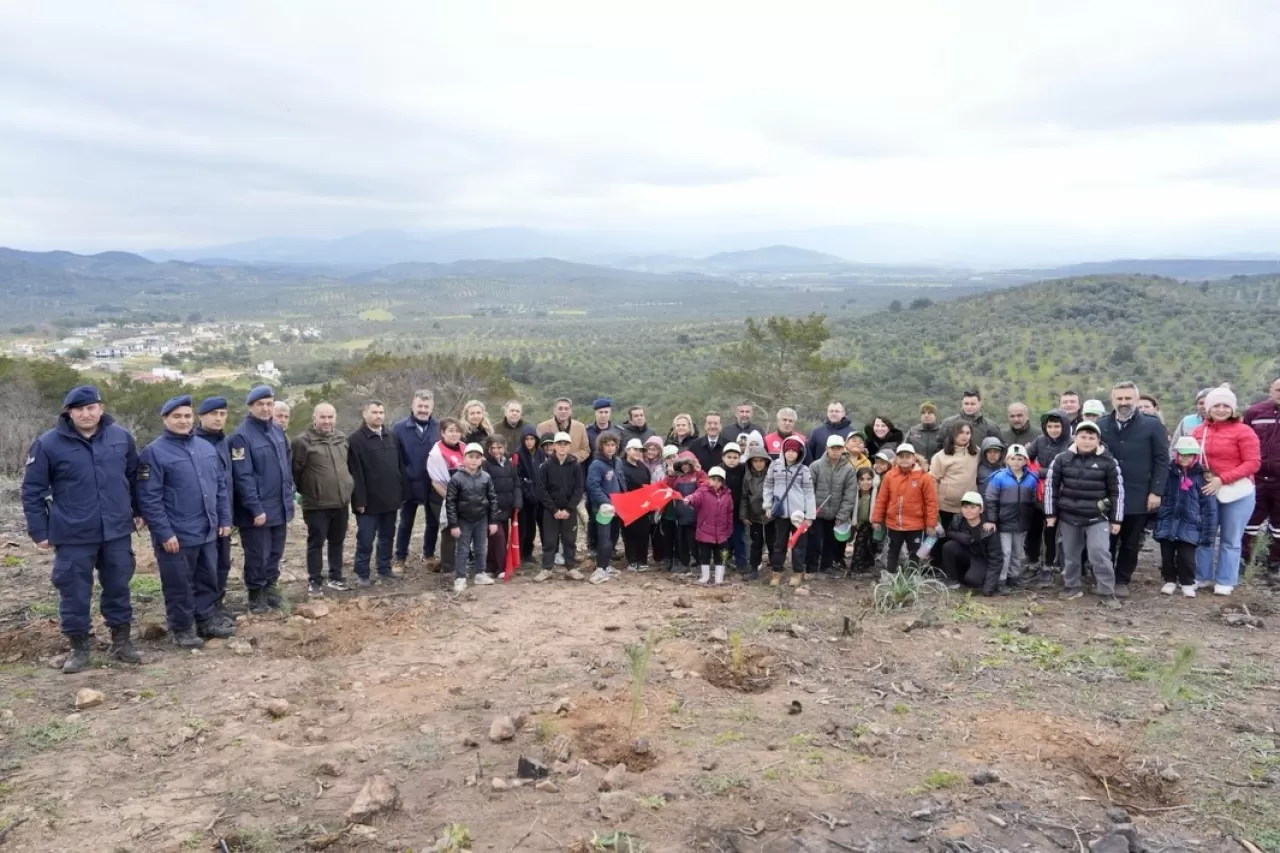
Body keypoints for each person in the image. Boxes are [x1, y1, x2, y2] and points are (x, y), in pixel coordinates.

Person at [22, 385, 143, 673]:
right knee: (74, 590)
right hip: (73, 532)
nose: (86, 414)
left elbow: (134, 478)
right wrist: (39, 531)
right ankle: (79, 648)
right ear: (69, 412)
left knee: (118, 585)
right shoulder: (48, 444)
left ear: (101, 408)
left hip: (115, 528)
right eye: (79, 409)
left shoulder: (121, 437)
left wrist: (138, 511)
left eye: (91, 408)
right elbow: (32, 490)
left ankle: (121, 641)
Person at [136, 395, 233, 648]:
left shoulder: (206, 448)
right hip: (176, 535)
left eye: (187, 416)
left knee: (207, 579)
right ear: (165, 419)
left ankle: (205, 620)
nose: (183, 421)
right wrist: (165, 533)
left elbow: (220, 486)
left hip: (207, 529)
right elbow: (150, 498)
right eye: (176, 416)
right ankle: (182, 628)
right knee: (179, 583)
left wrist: (223, 518)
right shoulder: (154, 453)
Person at [1097, 381, 1170, 597]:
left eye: (1128, 398)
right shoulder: (1101, 425)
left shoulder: (1152, 425)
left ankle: (1122, 580)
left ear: (1136, 400)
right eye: (1119, 399)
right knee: (1105, 540)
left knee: (1130, 542)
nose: (1124, 403)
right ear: (1113, 400)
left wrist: (1156, 491)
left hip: (1138, 493)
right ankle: (1104, 578)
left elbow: (1162, 459)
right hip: (1106, 494)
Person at [1043, 421, 1122, 608]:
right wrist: (1050, 513)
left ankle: (1106, 591)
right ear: (1075, 438)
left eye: (1091, 438)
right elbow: (1050, 487)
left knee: (1099, 552)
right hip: (1069, 516)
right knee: (1069, 554)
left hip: (1097, 517)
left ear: (1098, 440)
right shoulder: (1062, 459)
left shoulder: (1109, 462)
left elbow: (1117, 492)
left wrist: (1116, 518)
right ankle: (1072, 586)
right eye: (1083, 437)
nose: (1087, 441)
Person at [230, 385, 294, 614]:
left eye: (269, 404)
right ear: (251, 407)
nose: (265, 408)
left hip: (279, 505)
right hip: (257, 511)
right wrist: (255, 508)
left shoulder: (277, 431)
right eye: (260, 404)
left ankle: (270, 588)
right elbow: (243, 477)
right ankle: (256, 595)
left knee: (275, 551)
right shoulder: (241, 436)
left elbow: (287, 468)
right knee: (258, 554)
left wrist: (290, 497)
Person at [1192, 387, 1261, 595]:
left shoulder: (1244, 431)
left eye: (1225, 406)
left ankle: (1225, 580)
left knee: (1231, 538)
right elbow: (1191, 459)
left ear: (1233, 408)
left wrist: (1223, 479)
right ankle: (1201, 576)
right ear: (1208, 407)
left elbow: (1253, 463)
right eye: (1216, 405)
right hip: (1208, 490)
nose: (1221, 410)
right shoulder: (1198, 432)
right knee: (1205, 535)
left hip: (1238, 492)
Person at [291, 402, 353, 595]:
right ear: (314, 418)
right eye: (323, 417)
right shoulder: (302, 442)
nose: (327, 421)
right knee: (316, 543)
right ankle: (315, 580)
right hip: (316, 504)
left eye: (330, 417)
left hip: (341, 501)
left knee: (337, 541)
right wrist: (310, 492)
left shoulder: (342, 438)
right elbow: (296, 472)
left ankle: (335, 577)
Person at [348, 400, 408, 586]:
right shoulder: (356, 440)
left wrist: (402, 492)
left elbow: (399, 465)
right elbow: (355, 473)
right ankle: (362, 573)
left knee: (387, 537)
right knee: (365, 539)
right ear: (365, 414)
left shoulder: (392, 436)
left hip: (390, 498)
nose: (378, 416)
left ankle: (384, 569)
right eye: (374, 412)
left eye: (381, 412)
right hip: (368, 502)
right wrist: (359, 500)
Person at [1154, 437, 1218, 598]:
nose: (1185, 458)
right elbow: (1159, 495)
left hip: (1189, 525)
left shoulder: (1202, 477)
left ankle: (1187, 582)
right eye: (1182, 454)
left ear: (1195, 456)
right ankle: (1169, 579)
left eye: (1189, 455)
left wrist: (1208, 532)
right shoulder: (1167, 473)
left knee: (1186, 557)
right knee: (1167, 555)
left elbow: (1209, 507)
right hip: (1168, 521)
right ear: (1176, 454)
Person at [194, 396, 234, 619]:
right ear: (201, 417)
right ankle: (205, 610)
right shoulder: (195, 442)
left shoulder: (223, 441)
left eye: (222, 414)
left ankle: (218, 603)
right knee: (207, 567)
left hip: (224, 513)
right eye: (213, 414)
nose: (219, 418)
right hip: (205, 516)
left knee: (223, 562)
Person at [871, 444, 939, 574]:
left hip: (915, 525)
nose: (904, 459)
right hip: (894, 523)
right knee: (893, 550)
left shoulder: (924, 477)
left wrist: (931, 524)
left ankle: (911, 578)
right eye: (901, 456)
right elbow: (882, 499)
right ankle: (889, 575)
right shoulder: (890, 476)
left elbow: (931, 502)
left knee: (915, 552)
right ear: (896, 459)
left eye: (908, 456)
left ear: (914, 458)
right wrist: (876, 519)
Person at [392, 390, 440, 569]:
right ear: (413, 406)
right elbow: (394, 456)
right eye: (419, 406)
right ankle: (400, 557)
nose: (423, 410)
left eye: (426, 406)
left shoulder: (439, 427)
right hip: (409, 483)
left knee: (433, 521)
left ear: (432, 407)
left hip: (433, 483)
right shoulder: (399, 428)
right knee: (405, 522)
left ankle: (428, 554)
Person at [1025, 410, 1072, 585]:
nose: (1053, 429)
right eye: (1049, 426)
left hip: (1060, 494)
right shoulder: (1040, 441)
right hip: (1038, 494)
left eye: (1057, 426)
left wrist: (1039, 472)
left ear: (1064, 426)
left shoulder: (1071, 443)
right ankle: (1032, 562)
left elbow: (1067, 469)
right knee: (1033, 529)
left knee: (1051, 533)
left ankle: (1049, 566)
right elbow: (1025, 457)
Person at [983, 444, 1038, 591]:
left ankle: (1013, 576)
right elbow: (991, 500)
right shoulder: (998, 477)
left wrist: (1029, 518)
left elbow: (1033, 501)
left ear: (1026, 461)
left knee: (1017, 552)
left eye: (1020, 459)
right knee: (1005, 552)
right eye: (1013, 458)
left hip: (1021, 523)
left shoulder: (1032, 479)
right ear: (1007, 460)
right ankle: (1001, 580)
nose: (1016, 462)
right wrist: (992, 519)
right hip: (1004, 522)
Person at [763, 435, 816, 586]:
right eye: (788, 450)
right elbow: (768, 486)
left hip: (798, 514)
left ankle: (797, 572)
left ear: (799, 452)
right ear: (783, 450)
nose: (791, 453)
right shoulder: (775, 466)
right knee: (778, 544)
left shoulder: (804, 470)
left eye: (794, 450)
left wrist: (810, 515)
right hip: (780, 513)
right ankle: (776, 572)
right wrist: (767, 505)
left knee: (799, 545)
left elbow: (809, 493)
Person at [446, 443, 499, 592]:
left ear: (482, 460)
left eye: (477, 457)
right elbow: (450, 503)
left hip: (481, 519)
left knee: (480, 547)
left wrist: (493, 520)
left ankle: (480, 573)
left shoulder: (486, 477)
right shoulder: (456, 478)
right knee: (462, 549)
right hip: (463, 520)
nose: (474, 461)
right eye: (470, 457)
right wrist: (454, 524)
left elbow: (492, 499)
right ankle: (460, 577)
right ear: (464, 459)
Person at [1243, 377, 1280, 580]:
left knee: (1279, 526)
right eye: (1278, 389)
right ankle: (1244, 560)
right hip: (1255, 479)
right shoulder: (1254, 412)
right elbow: (1243, 441)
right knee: (1249, 521)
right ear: (1270, 390)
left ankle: (1274, 564)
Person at [536, 432, 585, 581]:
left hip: (569, 511)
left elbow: (579, 489)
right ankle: (547, 569)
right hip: (551, 511)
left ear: (569, 446)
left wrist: (569, 509)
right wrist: (554, 509)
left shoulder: (575, 465)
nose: (562, 447)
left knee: (569, 540)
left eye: (565, 444)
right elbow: (542, 489)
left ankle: (571, 568)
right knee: (549, 541)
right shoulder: (545, 466)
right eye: (559, 444)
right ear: (554, 446)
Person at [807, 434, 856, 575]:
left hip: (836, 513)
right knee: (814, 541)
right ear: (826, 448)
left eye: (839, 448)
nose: (835, 451)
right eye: (832, 448)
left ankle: (826, 566)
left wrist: (843, 514)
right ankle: (811, 566)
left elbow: (850, 494)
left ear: (843, 449)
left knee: (831, 541)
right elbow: (809, 490)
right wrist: (810, 511)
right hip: (817, 513)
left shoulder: (848, 470)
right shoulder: (815, 466)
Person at [940, 492, 1003, 594]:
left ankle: (971, 577)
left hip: (981, 558)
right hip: (967, 553)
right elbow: (950, 532)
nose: (968, 511)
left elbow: (996, 559)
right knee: (949, 546)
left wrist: (989, 588)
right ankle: (951, 579)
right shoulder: (958, 519)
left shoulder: (988, 527)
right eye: (965, 507)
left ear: (981, 509)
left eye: (973, 507)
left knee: (973, 580)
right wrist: (961, 537)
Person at [427, 417, 467, 577]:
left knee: (462, 530)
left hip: (464, 497)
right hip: (442, 497)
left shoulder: (464, 448)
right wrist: (451, 499)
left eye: (457, 431)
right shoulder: (436, 452)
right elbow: (436, 481)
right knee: (449, 530)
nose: (454, 434)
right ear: (442, 433)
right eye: (450, 431)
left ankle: (462, 563)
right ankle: (448, 568)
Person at [585, 431, 624, 583]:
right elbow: (592, 486)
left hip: (617, 507)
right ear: (601, 447)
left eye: (613, 445)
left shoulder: (618, 462)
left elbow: (621, 482)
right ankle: (600, 568)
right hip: (603, 508)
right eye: (607, 445)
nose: (610, 448)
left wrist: (623, 499)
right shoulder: (596, 464)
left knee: (613, 537)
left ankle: (607, 565)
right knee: (604, 538)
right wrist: (605, 502)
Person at [482, 434, 522, 580]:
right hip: (492, 509)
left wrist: (517, 502)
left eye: (499, 447)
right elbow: (485, 488)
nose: (496, 451)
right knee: (498, 537)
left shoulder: (509, 464)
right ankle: (502, 567)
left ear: (504, 448)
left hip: (507, 508)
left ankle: (490, 567)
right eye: (493, 448)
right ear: (488, 448)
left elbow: (516, 484)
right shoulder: (485, 465)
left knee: (499, 539)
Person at [687, 466, 735, 585]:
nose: (716, 482)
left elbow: (729, 512)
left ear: (722, 481)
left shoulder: (727, 495)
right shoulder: (702, 492)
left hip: (722, 533)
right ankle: (705, 576)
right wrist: (689, 499)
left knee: (721, 555)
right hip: (705, 532)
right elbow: (695, 498)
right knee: (705, 555)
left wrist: (729, 529)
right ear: (709, 479)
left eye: (719, 480)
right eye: (713, 479)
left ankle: (719, 577)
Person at [930, 422, 979, 532]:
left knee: (964, 538)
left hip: (969, 506)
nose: (964, 435)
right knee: (945, 537)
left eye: (968, 433)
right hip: (946, 507)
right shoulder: (940, 456)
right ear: (953, 434)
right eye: (961, 432)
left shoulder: (976, 452)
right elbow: (933, 480)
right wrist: (934, 505)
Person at [664, 449, 707, 573]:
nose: (685, 467)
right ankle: (684, 563)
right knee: (681, 541)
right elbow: (667, 486)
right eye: (682, 464)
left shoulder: (698, 475)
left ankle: (698, 564)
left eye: (688, 464)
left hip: (695, 516)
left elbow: (704, 487)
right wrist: (670, 475)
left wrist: (700, 472)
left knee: (695, 541)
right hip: (681, 516)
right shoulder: (678, 478)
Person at [620, 438, 654, 571]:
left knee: (643, 533)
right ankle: (632, 560)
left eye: (640, 450)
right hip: (627, 505)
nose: (637, 452)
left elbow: (648, 486)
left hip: (643, 506)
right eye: (635, 449)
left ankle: (643, 560)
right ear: (627, 450)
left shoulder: (643, 467)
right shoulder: (621, 466)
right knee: (629, 534)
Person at [514, 426, 545, 565]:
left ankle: (529, 552)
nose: (529, 442)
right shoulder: (518, 454)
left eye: (532, 439)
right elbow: (518, 477)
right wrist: (527, 493)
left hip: (538, 496)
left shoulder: (540, 453)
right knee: (524, 527)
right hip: (525, 498)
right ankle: (521, 554)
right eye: (526, 439)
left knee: (533, 527)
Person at [740, 446, 771, 580]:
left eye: (761, 461)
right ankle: (753, 568)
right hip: (754, 515)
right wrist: (744, 515)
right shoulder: (747, 477)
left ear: (766, 462)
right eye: (755, 461)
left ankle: (776, 568)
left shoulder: (771, 475)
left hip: (770, 514)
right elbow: (744, 497)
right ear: (751, 462)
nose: (758, 464)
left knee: (773, 541)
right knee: (756, 542)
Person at [720, 442, 747, 573]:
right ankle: (724, 561)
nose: (732, 460)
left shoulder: (743, 470)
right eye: (729, 457)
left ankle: (741, 562)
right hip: (722, 513)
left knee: (739, 538)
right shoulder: (719, 471)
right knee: (724, 540)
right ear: (723, 457)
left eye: (735, 457)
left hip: (738, 512)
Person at [537, 398, 591, 463]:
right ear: (554, 411)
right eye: (560, 408)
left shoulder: (580, 427)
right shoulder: (542, 427)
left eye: (566, 409)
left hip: (574, 468)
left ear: (571, 411)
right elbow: (538, 451)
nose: (563, 411)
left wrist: (570, 458)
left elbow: (585, 450)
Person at [848, 467, 879, 575]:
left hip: (871, 523)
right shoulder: (854, 495)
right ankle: (857, 566)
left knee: (868, 544)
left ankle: (865, 564)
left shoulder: (875, 495)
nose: (865, 482)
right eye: (862, 479)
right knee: (860, 543)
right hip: (857, 523)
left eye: (869, 479)